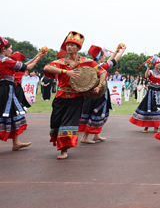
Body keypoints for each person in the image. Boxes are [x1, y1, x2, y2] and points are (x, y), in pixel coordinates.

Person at [43, 31, 106, 160]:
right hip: (60, 97)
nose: (69, 47)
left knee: (68, 123)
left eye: (72, 45)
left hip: (76, 98)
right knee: (55, 123)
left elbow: (103, 72)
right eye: (68, 45)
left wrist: (99, 86)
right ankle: (62, 145)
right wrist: (66, 72)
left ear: (78, 48)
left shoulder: (86, 62)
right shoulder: (60, 62)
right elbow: (47, 68)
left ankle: (63, 149)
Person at [0, 37, 44, 150]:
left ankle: (16, 143)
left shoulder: (5, 61)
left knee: (12, 113)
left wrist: (37, 55)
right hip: (6, 90)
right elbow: (27, 67)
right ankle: (15, 142)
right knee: (8, 113)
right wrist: (39, 57)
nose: (11, 50)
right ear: (4, 49)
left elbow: (23, 65)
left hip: (4, 89)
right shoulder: (6, 61)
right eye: (10, 48)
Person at [79, 44, 127, 144]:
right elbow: (114, 60)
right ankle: (85, 136)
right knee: (96, 112)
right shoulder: (100, 66)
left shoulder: (93, 64)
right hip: (99, 92)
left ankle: (96, 135)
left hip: (94, 92)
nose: (105, 57)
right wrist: (122, 51)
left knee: (97, 112)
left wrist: (115, 50)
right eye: (103, 56)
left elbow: (108, 61)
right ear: (99, 57)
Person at [130, 56, 160, 133]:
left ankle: (156, 127)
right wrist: (147, 68)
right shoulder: (150, 72)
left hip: (159, 93)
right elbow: (146, 77)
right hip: (151, 93)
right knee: (148, 108)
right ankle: (146, 127)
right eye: (157, 63)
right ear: (154, 64)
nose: (159, 65)